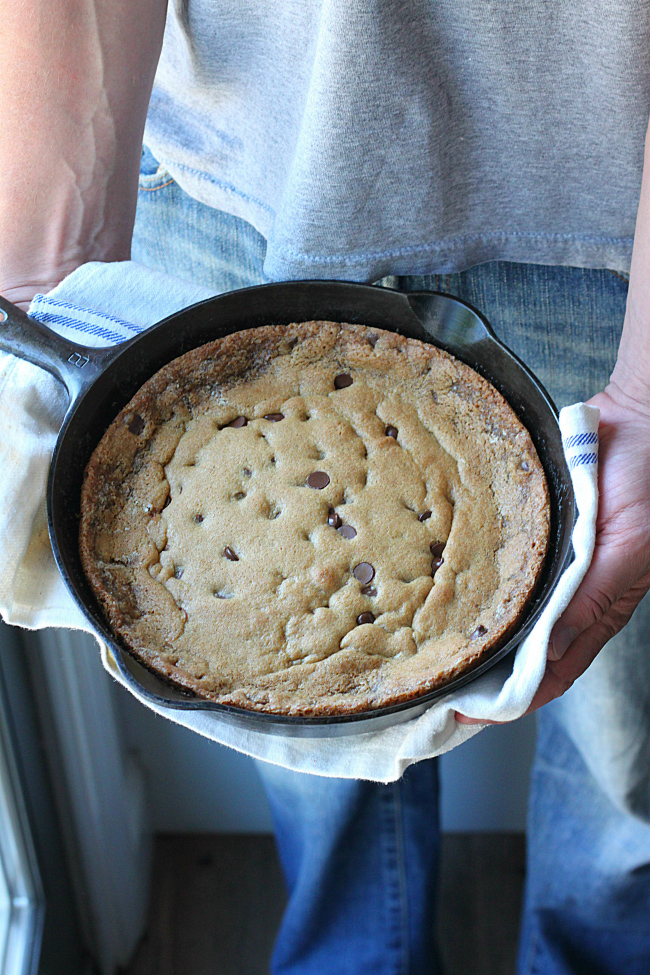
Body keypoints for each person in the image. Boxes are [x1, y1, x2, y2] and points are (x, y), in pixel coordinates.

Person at [2, 2, 650, 972]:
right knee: (299, 738)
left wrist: (643, 402)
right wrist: (34, 272)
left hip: (601, 254)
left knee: (621, 759)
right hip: (233, 181)